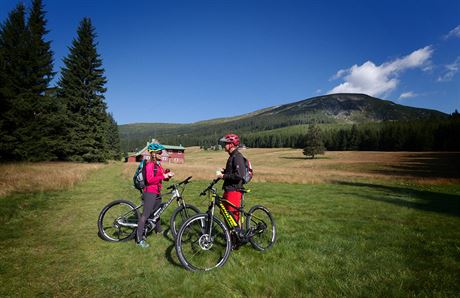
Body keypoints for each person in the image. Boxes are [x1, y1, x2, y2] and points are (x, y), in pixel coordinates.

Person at [136, 143, 174, 248]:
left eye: (162, 152)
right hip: (149, 192)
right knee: (146, 215)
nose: (162, 154)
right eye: (160, 152)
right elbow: (150, 180)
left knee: (157, 213)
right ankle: (139, 239)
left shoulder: (158, 165)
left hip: (157, 192)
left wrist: (167, 175)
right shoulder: (150, 165)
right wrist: (163, 175)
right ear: (153, 154)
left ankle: (158, 230)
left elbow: (162, 178)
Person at [216, 134, 245, 236]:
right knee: (226, 214)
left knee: (233, 216)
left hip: (234, 191)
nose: (224, 145)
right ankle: (230, 236)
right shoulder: (232, 156)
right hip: (228, 190)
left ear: (232, 144)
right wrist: (225, 171)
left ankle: (236, 239)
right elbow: (233, 171)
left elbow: (239, 175)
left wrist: (223, 176)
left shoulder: (237, 157)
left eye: (226, 143)